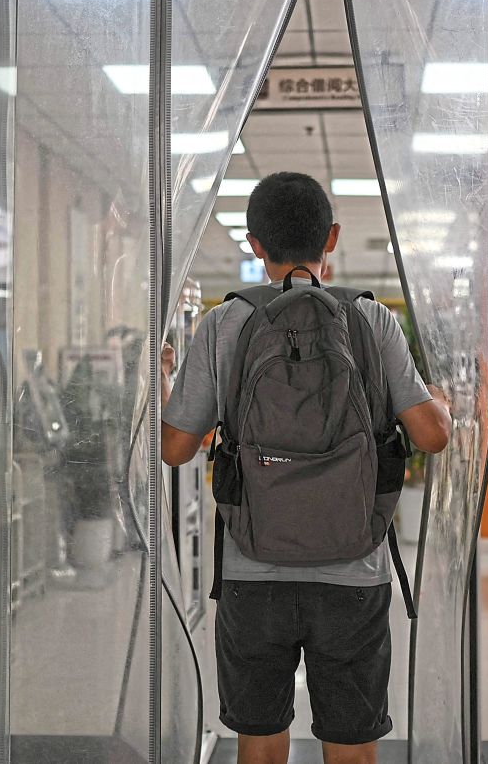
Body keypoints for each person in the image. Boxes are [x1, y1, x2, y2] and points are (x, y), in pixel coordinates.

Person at [160, 172, 452, 764]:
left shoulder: (224, 324)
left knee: (261, 744)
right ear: (333, 237)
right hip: (353, 571)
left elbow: (174, 448)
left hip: (252, 569)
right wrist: (441, 402)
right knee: (351, 746)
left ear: (255, 245)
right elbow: (431, 434)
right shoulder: (372, 322)